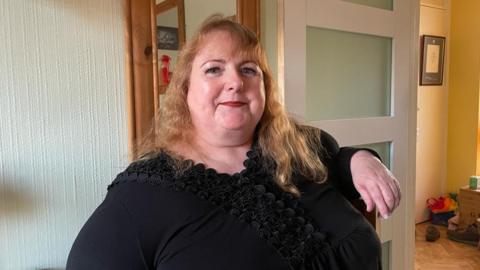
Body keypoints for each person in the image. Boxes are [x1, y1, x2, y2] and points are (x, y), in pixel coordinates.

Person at [67, 15, 400, 270]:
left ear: (264, 88)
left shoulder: (299, 144)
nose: (235, 82)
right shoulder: (142, 192)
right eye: (214, 69)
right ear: (185, 89)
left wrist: (362, 159)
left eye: (249, 70)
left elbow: (338, 157)